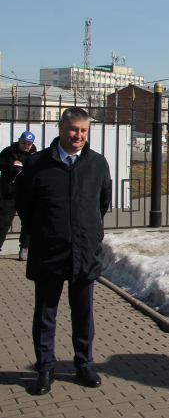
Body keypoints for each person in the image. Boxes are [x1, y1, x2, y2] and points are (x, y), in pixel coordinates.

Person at [16, 108, 112, 396]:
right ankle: (45, 367)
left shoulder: (97, 163)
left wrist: (90, 232)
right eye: (73, 129)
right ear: (60, 128)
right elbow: (25, 205)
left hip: (84, 252)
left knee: (83, 313)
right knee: (46, 313)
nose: (78, 135)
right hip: (49, 251)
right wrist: (45, 229)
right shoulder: (37, 163)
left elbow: (102, 203)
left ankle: (83, 364)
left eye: (83, 130)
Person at [0, 131, 37, 260]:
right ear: (19, 141)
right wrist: (11, 166)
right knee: (4, 221)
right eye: (23, 143)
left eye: (28, 144)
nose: (26, 146)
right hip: (9, 192)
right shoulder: (8, 151)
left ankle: (24, 248)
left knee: (27, 222)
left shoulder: (34, 155)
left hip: (26, 193)